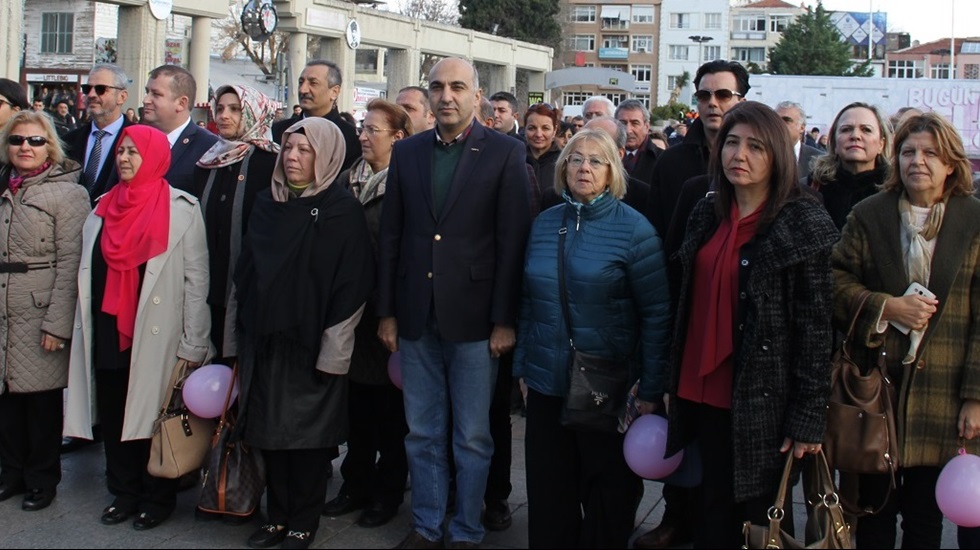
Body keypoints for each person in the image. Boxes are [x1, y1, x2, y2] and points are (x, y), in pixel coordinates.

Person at [666, 101, 838, 548]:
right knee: (711, 509)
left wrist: (807, 416)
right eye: (731, 143)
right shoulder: (707, 212)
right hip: (703, 389)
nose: (739, 155)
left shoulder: (803, 221)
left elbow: (816, 330)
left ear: (777, 154)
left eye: (755, 146)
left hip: (764, 398)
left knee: (762, 520)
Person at [377, 57, 531, 549]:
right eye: (438, 86)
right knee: (422, 432)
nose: (447, 96)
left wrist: (504, 320)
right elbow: (392, 236)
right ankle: (426, 526)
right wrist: (387, 311)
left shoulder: (506, 153)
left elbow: (512, 243)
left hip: (475, 320)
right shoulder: (408, 153)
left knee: (471, 436)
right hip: (416, 315)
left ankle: (466, 529)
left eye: (458, 87)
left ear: (477, 95)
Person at [514, 129, 671, 548]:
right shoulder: (544, 224)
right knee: (550, 490)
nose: (584, 167)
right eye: (576, 159)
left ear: (612, 171)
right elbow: (528, 301)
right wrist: (523, 368)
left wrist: (651, 388)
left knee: (607, 492)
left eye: (595, 160)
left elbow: (657, 314)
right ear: (563, 167)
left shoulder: (634, 231)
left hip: (606, 383)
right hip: (546, 381)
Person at [831, 112, 980, 549]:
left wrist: (975, 396)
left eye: (931, 153)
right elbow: (833, 280)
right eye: (909, 152)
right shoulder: (870, 214)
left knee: (924, 518)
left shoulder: (974, 220)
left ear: (951, 163)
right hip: (879, 391)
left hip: (945, 393)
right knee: (873, 515)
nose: (918, 161)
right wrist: (885, 306)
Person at [230, 117, 374, 550]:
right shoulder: (266, 203)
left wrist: (335, 350)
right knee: (268, 432)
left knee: (307, 438)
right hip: (265, 339)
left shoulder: (341, 210)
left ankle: (302, 520)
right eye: (288, 148)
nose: (292, 157)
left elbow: (352, 285)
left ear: (325, 156)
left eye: (304, 150)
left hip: (313, 341)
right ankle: (277, 515)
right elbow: (245, 274)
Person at [63, 125, 211, 531]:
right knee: (114, 413)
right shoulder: (102, 207)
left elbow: (196, 281)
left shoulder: (182, 209)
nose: (124, 158)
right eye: (121, 151)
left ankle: (157, 496)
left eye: (134, 152)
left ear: (155, 156)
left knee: (154, 415)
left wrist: (194, 344)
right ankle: (123, 491)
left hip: (158, 334)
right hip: (109, 328)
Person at [322, 99, 411, 530]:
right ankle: (354, 484)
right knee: (356, 407)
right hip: (349, 313)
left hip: (386, 312)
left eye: (373, 130)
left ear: (398, 137)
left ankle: (387, 491)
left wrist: (392, 309)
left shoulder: (407, 184)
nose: (363, 136)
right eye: (363, 127)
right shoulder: (344, 181)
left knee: (391, 412)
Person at [0, 111, 90, 512]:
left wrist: (58, 324)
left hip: (40, 311)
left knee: (41, 404)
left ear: (49, 146)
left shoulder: (68, 193)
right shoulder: (3, 184)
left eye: (35, 141)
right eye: (17, 140)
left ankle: (41, 479)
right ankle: (11, 473)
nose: (25, 147)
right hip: (3, 309)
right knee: (6, 401)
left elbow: (72, 263)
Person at [193, 85, 279, 362]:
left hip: (247, 291)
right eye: (219, 109)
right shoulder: (208, 160)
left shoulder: (272, 164)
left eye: (234, 109)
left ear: (254, 113)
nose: (223, 116)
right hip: (204, 288)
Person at [807, 102, 891, 231]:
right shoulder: (812, 188)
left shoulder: (894, 189)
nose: (855, 136)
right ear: (834, 142)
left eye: (866, 130)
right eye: (846, 129)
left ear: (881, 144)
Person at [141, 65, 219, 195]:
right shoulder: (135, 140)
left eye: (156, 94)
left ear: (181, 103)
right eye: (147, 92)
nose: (146, 100)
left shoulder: (209, 148)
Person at [272, 60, 361, 171]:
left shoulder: (351, 138)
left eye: (313, 83)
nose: (303, 90)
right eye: (301, 82)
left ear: (334, 92)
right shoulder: (277, 131)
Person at [64, 64, 134, 203]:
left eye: (100, 89)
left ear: (121, 97)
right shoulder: (69, 141)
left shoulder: (138, 140)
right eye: (87, 89)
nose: (91, 95)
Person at [524, 102, 562, 209]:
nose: (538, 134)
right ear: (524, 129)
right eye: (532, 128)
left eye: (545, 128)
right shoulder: (514, 159)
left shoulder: (565, 161)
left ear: (554, 130)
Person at [775, 101, 823, 180]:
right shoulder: (762, 157)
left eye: (786, 120)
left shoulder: (820, 161)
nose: (779, 125)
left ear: (802, 128)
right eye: (776, 120)